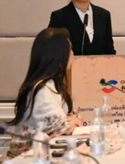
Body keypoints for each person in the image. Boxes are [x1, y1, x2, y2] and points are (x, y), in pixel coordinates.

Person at [6, 28, 83, 158]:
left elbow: (75, 117)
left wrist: (71, 120)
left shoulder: (54, 85)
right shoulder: (41, 89)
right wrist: (70, 121)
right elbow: (61, 127)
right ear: (59, 56)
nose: (72, 54)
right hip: (30, 158)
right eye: (69, 50)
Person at [49, 0, 116, 56]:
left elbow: (109, 52)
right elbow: (52, 52)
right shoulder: (59, 17)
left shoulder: (104, 15)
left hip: (100, 65)